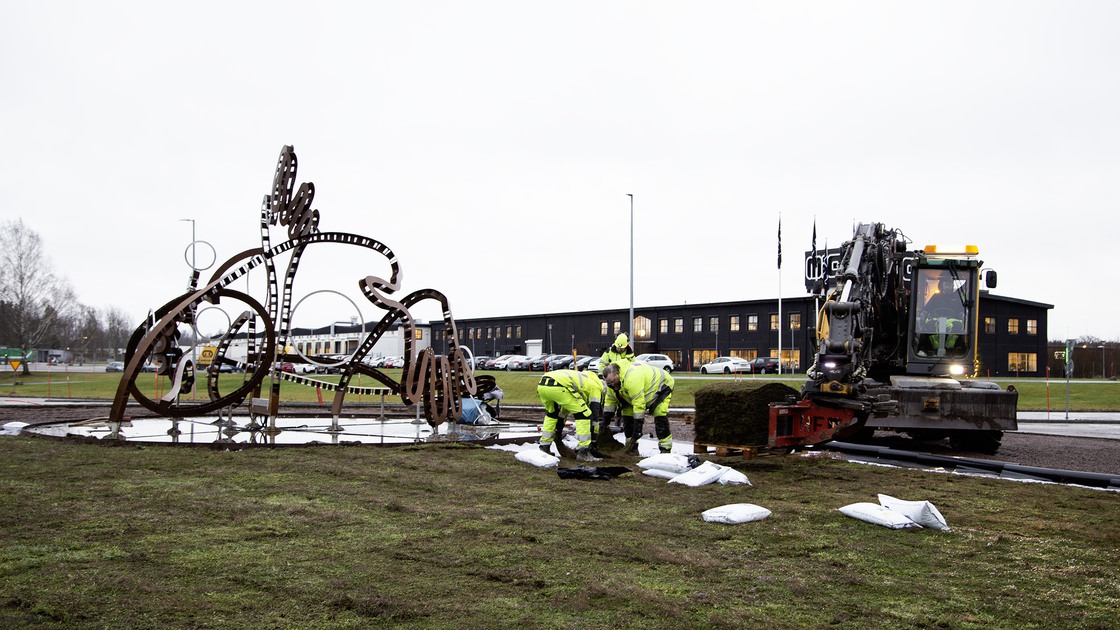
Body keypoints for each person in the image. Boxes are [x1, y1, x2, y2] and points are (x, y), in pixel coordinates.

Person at [600, 361, 674, 455]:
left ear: (618, 374)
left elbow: (639, 404)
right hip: (637, 392)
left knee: (659, 412)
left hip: (661, 385)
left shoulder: (632, 378)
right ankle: (631, 447)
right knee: (627, 414)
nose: (612, 385)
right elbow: (610, 402)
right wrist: (605, 423)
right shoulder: (612, 385)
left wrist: (638, 427)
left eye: (613, 382)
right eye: (609, 383)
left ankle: (665, 448)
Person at [536, 369, 608, 462]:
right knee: (584, 415)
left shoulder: (582, 380)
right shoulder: (597, 387)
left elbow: (564, 410)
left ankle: (544, 447)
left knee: (552, 415)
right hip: (560, 386)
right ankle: (583, 452)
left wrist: (559, 429)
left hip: (543, 384)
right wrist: (593, 441)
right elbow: (594, 417)